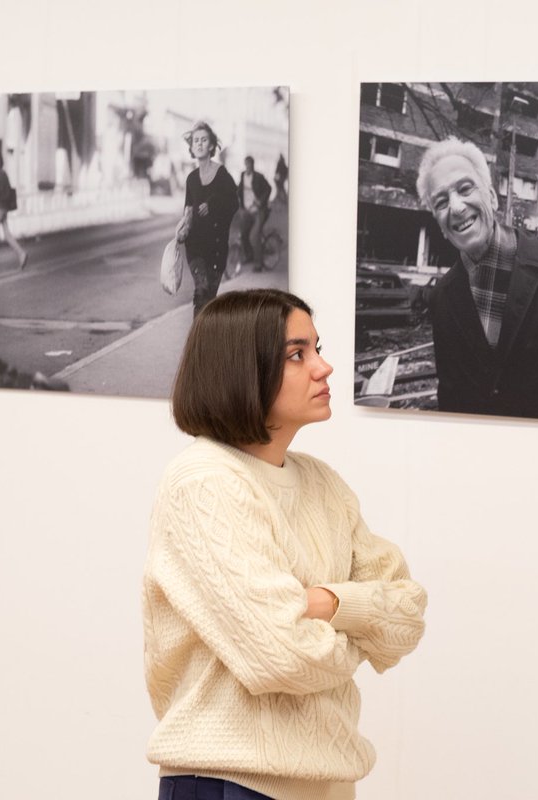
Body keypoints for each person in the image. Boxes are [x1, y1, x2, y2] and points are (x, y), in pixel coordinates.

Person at [143, 289, 427, 800]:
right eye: (297, 355)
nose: (324, 368)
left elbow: (407, 614)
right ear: (240, 369)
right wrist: (360, 629)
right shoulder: (204, 482)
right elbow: (280, 655)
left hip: (329, 781)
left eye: (317, 348)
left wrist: (329, 603)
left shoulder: (323, 484)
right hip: (231, 782)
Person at [416, 137, 538, 421]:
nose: (456, 207)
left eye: (465, 188)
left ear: (492, 197)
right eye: (441, 202)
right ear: (440, 225)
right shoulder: (442, 298)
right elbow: (450, 400)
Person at [179, 121, 239, 316]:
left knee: (209, 302)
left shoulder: (222, 174)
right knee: (201, 290)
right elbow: (188, 209)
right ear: (191, 146)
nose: (199, 144)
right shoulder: (191, 178)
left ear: (211, 145)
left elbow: (234, 203)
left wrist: (213, 207)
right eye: (195, 141)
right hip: (195, 246)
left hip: (216, 247)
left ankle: (205, 342)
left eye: (203, 140)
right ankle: (196, 344)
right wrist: (183, 229)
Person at [236, 156, 272, 269]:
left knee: (254, 236)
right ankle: (249, 256)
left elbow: (269, 188)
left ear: (253, 165)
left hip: (259, 211)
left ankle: (258, 263)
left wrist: (261, 201)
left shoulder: (259, 177)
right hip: (247, 210)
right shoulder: (242, 175)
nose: (248, 167)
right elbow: (239, 190)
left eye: (250, 165)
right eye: (246, 164)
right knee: (243, 234)